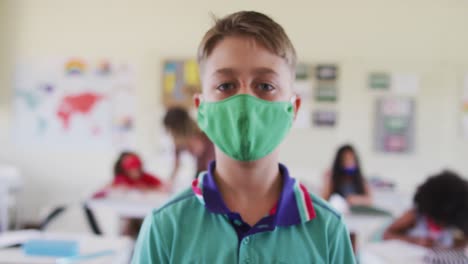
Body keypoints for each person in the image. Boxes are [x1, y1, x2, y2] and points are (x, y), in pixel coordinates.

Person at [132, 11, 355, 263]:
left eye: (265, 86)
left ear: (293, 109)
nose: (245, 101)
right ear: (201, 108)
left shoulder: (327, 229)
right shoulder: (166, 226)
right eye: (226, 85)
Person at [383, 170, 468, 248]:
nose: (442, 225)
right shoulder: (414, 215)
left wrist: (454, 246)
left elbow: (462, 242)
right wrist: (413, 240)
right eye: (439, 221)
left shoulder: (459, 222)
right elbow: (387, 234)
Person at [163, 107, 215, 181]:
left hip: (213, 170)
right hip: (201, 171)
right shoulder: (179, 141)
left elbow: (209, 158)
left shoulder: (204, 133)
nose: (171, 134)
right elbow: (176, 164)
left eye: (172, 130)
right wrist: (170, 180)